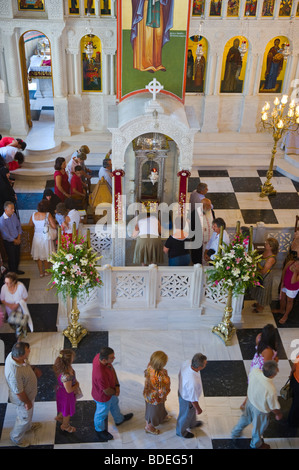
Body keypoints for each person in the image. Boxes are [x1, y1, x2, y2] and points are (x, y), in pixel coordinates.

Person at [231, 360, 282, 449]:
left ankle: (235, 433)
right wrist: (278, 413)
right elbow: (272, 406)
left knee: (244, 419)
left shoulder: (255, 371)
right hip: (260, 411)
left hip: (249, 402)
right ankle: (255, 445)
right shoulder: (271, 389)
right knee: (258, 429)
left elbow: (250, 383)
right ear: (272, 374)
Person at [91, 346, 133, 442]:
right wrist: (116, 392)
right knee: (101, 413)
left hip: (111, 392)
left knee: (114, 404)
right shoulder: (100, 374)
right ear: (104, 359)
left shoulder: (99, 357)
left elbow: (112, 369)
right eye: (112, 358)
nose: (114, 359)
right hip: (103, 397)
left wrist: (117, 385)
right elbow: (106, 391)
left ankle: (119, 419)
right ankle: (99, 430)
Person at [4, 342, 42, 447]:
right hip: (23, 399)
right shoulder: (14, 373)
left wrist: (33, 369)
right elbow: (19, 392)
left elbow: (26, 363)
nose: (29, 351)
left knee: (28, 415)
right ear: (21, 355)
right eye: (27, 350)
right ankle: (16, 438)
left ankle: (28, 427)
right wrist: (27, 402)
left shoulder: (16, 357)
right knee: (23, 418)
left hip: (29, 394)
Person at [240, 324, 279, 410]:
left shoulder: (259, 337)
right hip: (260, 370)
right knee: (256, 388)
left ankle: (245, 402)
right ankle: (248, 403)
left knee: (252, 385)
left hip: (255, 365)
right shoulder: (268, 351)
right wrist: (275, 361)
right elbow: (267, 365)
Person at [130, 0, 174, 73]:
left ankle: (157, 63)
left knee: (158, 34)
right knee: (147, 35)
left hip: (158, 5)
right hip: (145, 6)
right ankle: (145, 63)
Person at [176, 353, 207, 439]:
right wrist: (198, 409)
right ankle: (181, 432)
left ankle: (192, 424)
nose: (206, 363)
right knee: (185, 416)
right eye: (205, 363)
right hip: (187, 399)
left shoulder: (187, 362)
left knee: (190, 413)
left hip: (183, 390)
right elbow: (193, 400)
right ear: (199, 367)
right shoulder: (192, 382)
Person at [143, 351, 171, 435]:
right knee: (154, 412)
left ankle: (162, 416)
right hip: (155, 399)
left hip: (149, 395)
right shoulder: (158, 378)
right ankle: (149, 427)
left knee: (159, 408)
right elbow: (161, 391)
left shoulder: (150, 366)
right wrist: (163, 395)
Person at [53, 349, 81, 433]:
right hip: (66, 395)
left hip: (62, 392)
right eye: (72, 357)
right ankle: (65, 426)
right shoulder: (66, 375)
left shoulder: (65, 367)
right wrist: (76, 385)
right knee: (67, 411)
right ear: (69, 360)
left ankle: (60, 416)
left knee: (64, 407)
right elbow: (68, 390)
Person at [29, 199, 57, 277]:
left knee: (38, 256)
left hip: (37, 236)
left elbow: (30, 225)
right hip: (45, 236)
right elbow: (54, 226)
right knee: (46, 254)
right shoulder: (48, 215)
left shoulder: (33, 214)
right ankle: (46, 272)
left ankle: (41, 273)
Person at [0, 272, 33, 339]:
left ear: (13, 282)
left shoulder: (20, 286)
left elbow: (25, 298)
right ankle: (19, 334)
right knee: (13, 324)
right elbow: (2, 299)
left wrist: (17, 304)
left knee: (19, 325)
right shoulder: (4, 287)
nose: (6, 284)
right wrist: (10, 305)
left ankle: (19, 339)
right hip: (10, 311)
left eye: (8, 283)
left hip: (20, 309)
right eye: (5, 282)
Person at [251, 237, 279, 313]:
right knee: (258, 290)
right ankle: (258, 302)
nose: (265, 245)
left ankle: (261, 307)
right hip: (259, 273)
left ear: (271, 247)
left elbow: (264, 271)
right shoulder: (266, 251)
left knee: (263, 291)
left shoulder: (271, 259)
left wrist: (253, 272)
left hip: (265, 277)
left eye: (267, 244)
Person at [272, 259, 299, 324]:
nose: (295, 265)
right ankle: (282, 310)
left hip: (292, 288)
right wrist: (282, 283)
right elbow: (284, 271)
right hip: (285, 284)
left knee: (289, 301)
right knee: (282, 298)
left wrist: (295, 271)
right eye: (296, 263)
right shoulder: (290, 262)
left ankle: (286, 315)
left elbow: (293, 281)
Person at [0, 201, 24, 274]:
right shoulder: (2, 220)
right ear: (6, 210)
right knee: (12, 258)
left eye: (13, 208)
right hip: (9, 242)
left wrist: (19, 238)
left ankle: (16, 270)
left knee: (17, 256)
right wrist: (14, 240)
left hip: (17, 238)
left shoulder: (14, 215)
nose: (13, 210)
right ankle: (12, 274)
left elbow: (19, 226)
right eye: (11, 209)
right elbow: (5, 234)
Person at [288, 354, 299, 427]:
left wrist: (291, 374)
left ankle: (292, 420)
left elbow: (294, 366)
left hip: (295, 379)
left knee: (295, 402)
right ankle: (293, 422)